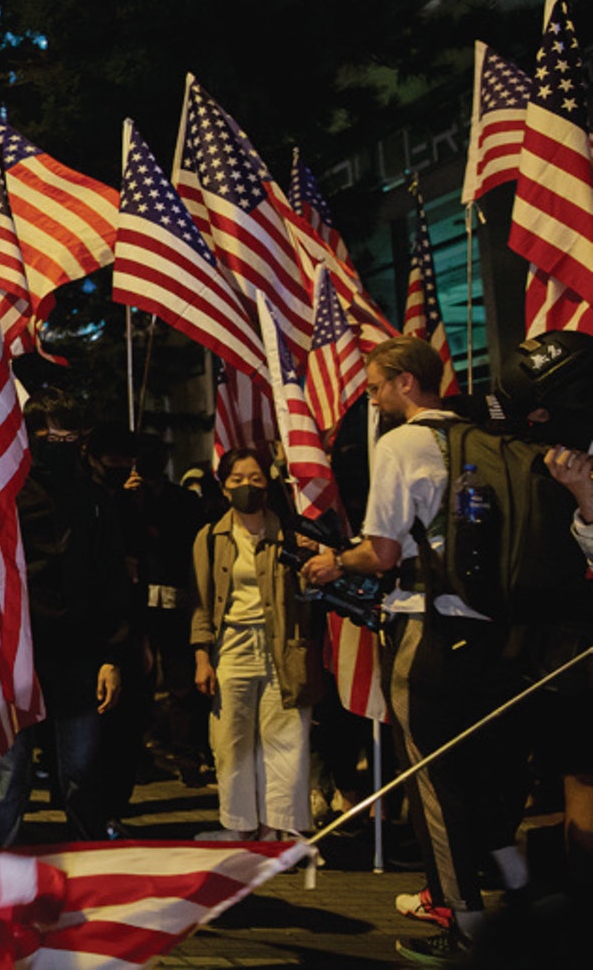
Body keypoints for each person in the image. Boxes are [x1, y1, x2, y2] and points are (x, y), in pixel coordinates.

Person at [302, 336, 525, 966]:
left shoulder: (401, 443)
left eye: (374, 386)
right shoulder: (488, 439)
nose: (369, 397)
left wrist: (332, 561)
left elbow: (382, 553)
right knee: (483, 769)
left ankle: (464, 923)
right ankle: (521, 889)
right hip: (497, 629)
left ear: (407, 383)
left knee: (432, 777)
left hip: (429, 626)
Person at [0, 394, 126, 849]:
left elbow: (112, 583)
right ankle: (0, 866)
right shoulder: (7, 497)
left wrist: (111, 656)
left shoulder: (95, 500)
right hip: (18, 654)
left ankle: (87, 857)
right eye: (51, 434)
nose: (60, 443)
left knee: (83, 771)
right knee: (10, 772)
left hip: (80, 655)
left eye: (70, 435)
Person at [188, 448, 323, 841]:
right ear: (224, 486)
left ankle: (280, 829)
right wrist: (202, 657)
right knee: (231, 740)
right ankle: (238, 825)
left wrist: (313, 558)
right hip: (232, 648)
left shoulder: (292, 535)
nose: (247, 486)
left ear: (269, 484)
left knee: (286, 739)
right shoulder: (210, 537)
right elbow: (199, 602)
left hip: (284, 647)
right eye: (237, 480)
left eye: (256, 479)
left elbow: (311, 594)